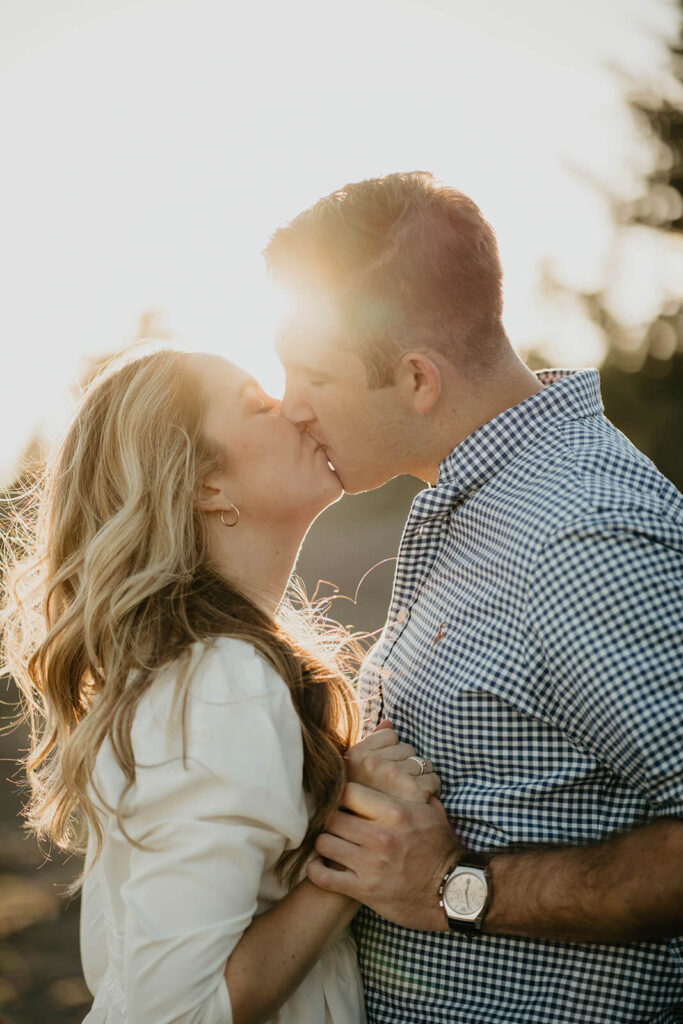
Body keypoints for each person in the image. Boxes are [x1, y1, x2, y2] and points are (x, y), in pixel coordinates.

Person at [265, 171, 683, 1022]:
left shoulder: (582, 536)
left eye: (312, 374)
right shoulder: (485, 504)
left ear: (418, 380)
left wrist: (457, 889)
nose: (290, 407)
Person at [1, 347, 440, 1023]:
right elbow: (176, 1013)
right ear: (206, 486)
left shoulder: (201, 669)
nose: (296, 410)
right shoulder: (220, 681)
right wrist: (353, 860)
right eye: (258, 405)